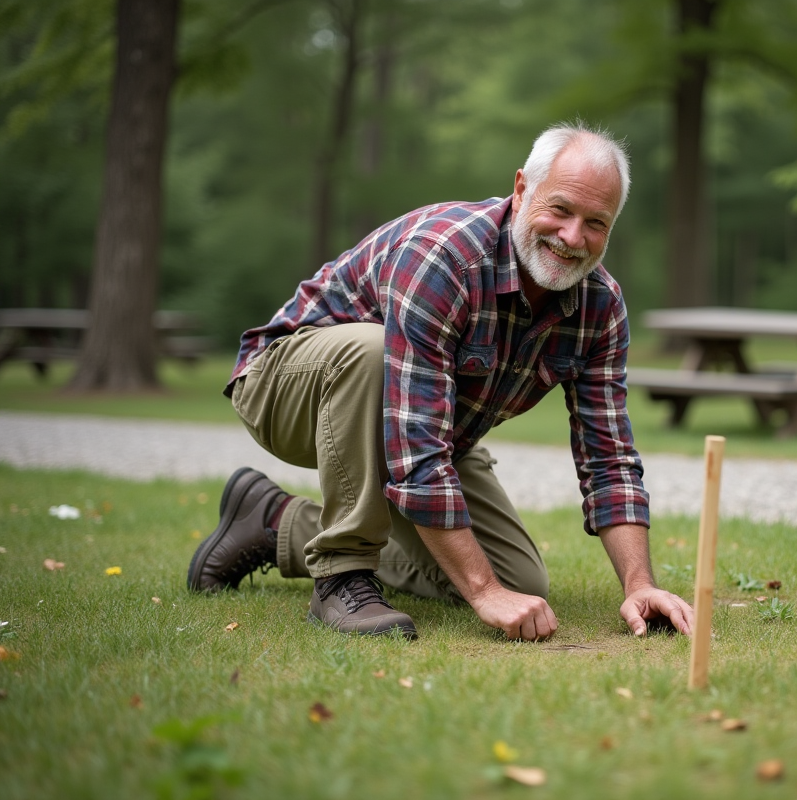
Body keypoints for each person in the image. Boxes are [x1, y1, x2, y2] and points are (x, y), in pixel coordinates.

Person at [187, 122, 695, 643]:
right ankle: (341, 574)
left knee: (519, 580)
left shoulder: (600, 306)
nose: (573, 237)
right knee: (372, 351)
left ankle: (274, 523)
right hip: (286, 384)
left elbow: (607, 455)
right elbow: (416, 451)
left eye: (596, 223)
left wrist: (639, 583)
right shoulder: (446, 258)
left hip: (430, 419)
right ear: (521, 190)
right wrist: (482, 593)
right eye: (560, 209)